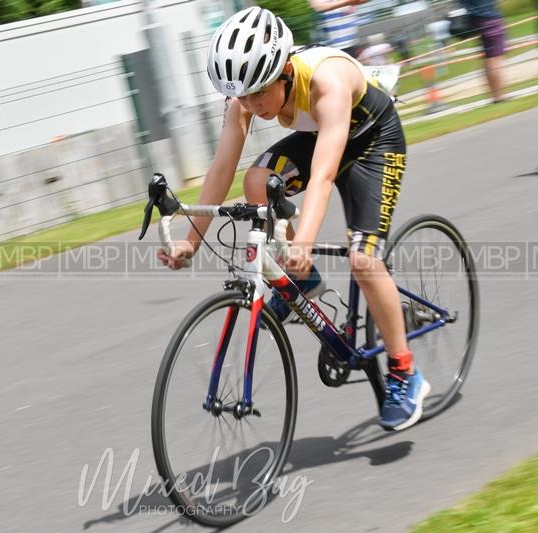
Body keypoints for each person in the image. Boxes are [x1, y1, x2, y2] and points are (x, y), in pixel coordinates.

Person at [158, 7, 429, 431]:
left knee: (362, 259)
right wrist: (191, 241)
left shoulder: (327, 80)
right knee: (257, 180)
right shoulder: (245, 99)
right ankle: (300, 280)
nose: (250, 105)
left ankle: (404, 372)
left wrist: (303, 239)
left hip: (374, 142)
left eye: (258, 94)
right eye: (242, 96)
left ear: (285, 71)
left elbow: (322, 175)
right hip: (320, 137)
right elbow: (221, 169)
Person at [459, 0, 506, 102]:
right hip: (489, 16)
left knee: (489, 57)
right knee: (494, 58)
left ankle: (494, 95)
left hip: (475, 20)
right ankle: (498, 96)